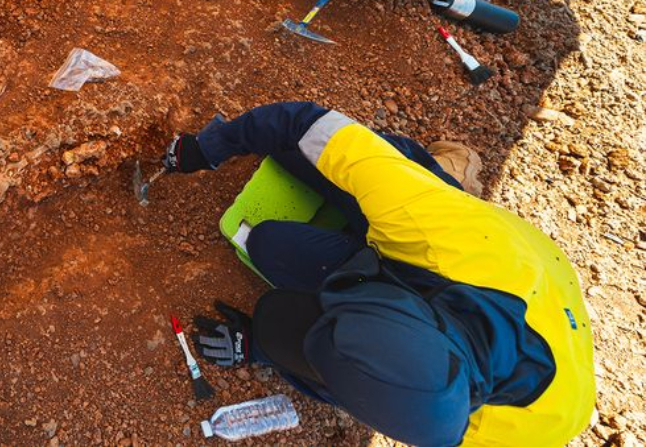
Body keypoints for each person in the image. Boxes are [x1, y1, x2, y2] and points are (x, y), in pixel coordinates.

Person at [161, 102, 594, 447]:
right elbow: (303, 121)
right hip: (484, 244)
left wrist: (262, 350)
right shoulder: (427, 227)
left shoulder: (482, 432)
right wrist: (209, 147)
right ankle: (449, 171)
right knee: (298, 153)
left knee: (275, 254)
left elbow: (365, 392)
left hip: (487, 297)